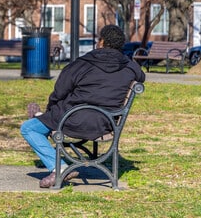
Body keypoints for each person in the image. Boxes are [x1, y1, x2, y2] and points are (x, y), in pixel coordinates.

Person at [20, 25, 146, 188]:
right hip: (105, 123)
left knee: (29, 128)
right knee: (48, 118)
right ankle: (41, 117)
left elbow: (60, 91)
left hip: (72, 119)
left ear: (101, 42)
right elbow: (141, 76)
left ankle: (59, 167)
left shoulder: (84, 63)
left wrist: (51, 109)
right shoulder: (129, 66)